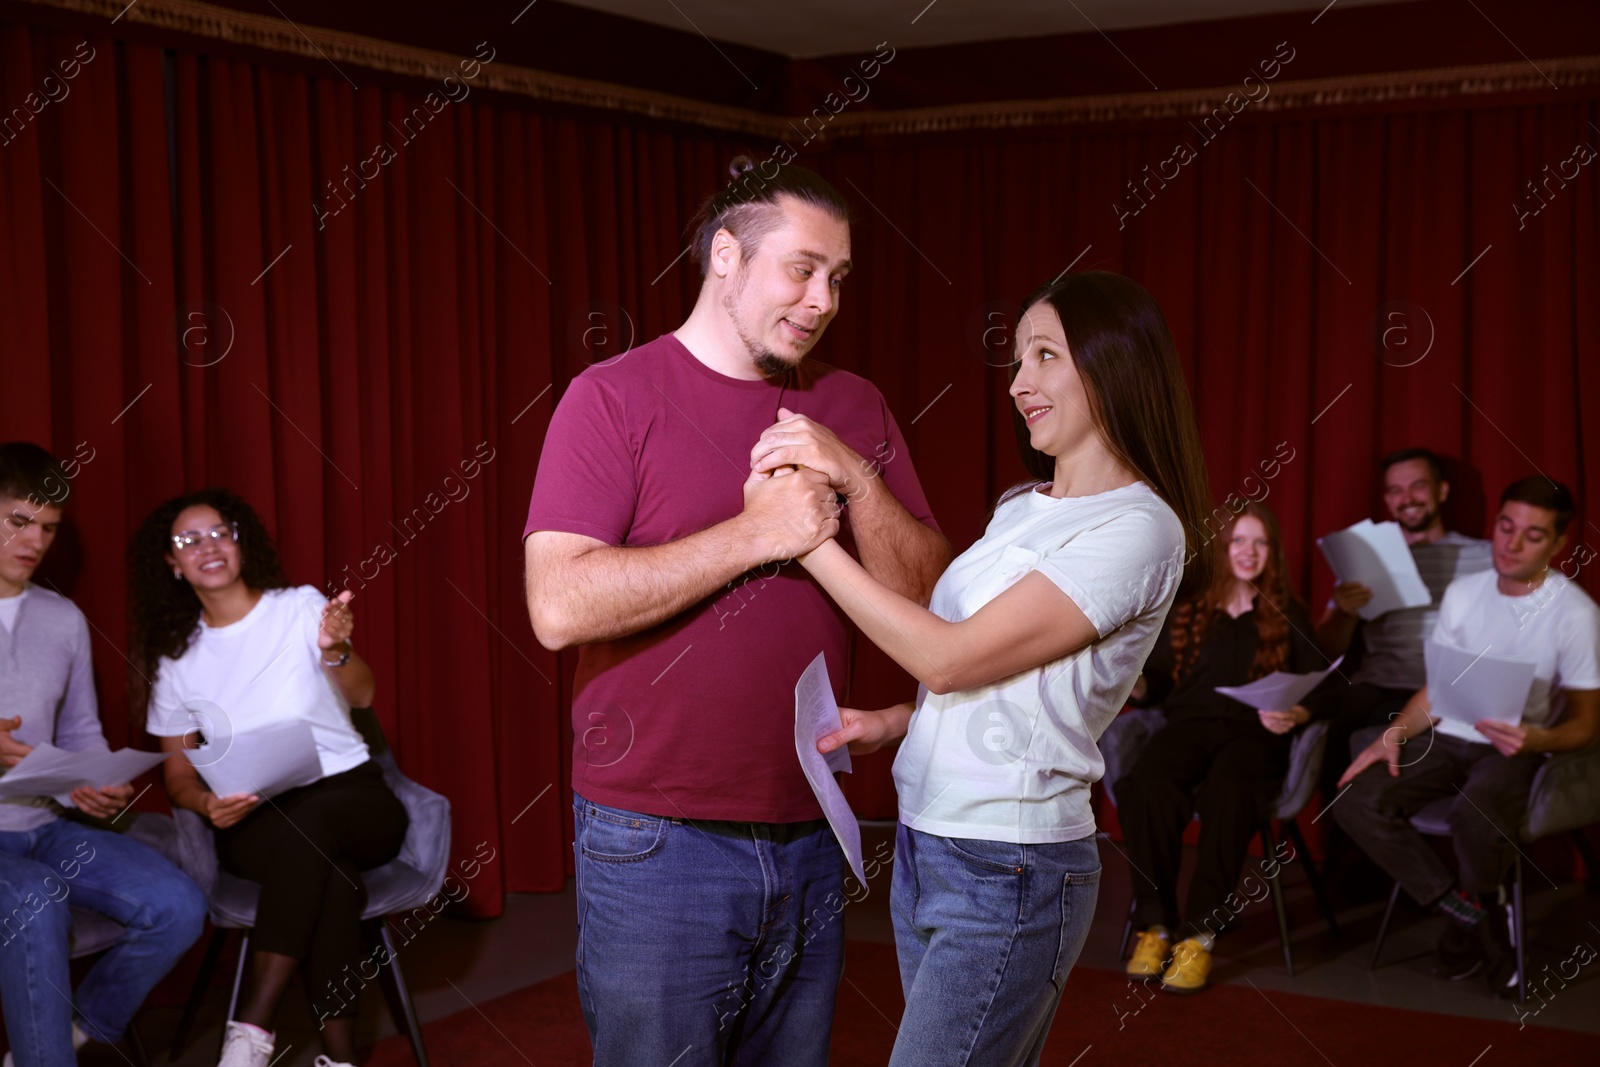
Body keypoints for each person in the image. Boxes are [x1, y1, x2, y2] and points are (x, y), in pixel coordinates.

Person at [522, 164, 949, 1065]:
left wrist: (854, 473)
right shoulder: (612, 397)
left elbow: (925, 598)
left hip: (812, 826)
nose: (823, 298)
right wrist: (755, 534)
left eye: (838, 277)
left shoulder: (852, 404)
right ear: (726, 255)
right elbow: (558, 606)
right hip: (658, 842)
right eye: (801, 268)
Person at [800, 271, 1212, 1065]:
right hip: (930, 839)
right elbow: (994, 670)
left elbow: (948, 660)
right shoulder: (1021, 506)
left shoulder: (1141, 527)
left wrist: (810, 541)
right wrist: (893, 722)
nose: (1020, 383)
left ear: (1112, 365)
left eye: (1045, 355)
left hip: (1011, 862)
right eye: (1018, 359)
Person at [128, 489, 409, 1067]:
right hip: (253, 818)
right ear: (172, 564)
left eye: (219, 532)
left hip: (352, 795)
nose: (207, 547)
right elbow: (178, 776)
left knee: (315, 828)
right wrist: (207, 809)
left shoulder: (300, 607)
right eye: (189, 541)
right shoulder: (175, 661)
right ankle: (339, 1059)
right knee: (331, 879)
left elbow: (364, 694)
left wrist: (335, 650)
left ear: (239, 542)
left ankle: (252, 1026)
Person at [1334, 477, 1600, 994]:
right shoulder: (1464, 592)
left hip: (1513, 748)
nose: (1512, 543)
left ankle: (1471, 930)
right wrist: (1393, 734)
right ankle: (1468, 915)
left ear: (1558, 544)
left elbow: (1590, 724)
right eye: (1505, 526)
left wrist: (1536, 739)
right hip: (1447, 735)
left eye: (1532, 535)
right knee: (1354, 799)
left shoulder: (1577, 614)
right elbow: (1436, 691)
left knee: (1472, 815)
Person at [0, 442, 206, 1067]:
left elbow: (84, 730)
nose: (35, 541)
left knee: (179, 906)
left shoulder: (62, 618)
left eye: (49, 529)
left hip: (47, 824)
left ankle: (65, 1039)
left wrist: (94, 781)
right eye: (19, 522)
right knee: (35, 897)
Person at [1114, 501, 1334, 995]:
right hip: (1189, 726)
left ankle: (1200, 934)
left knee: (1229, 792)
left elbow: (1330, 685)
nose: (1249, 551)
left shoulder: (1285, 612)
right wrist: (1136, 686)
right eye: (1239, 540)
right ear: (1223, 548)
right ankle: (1156, 926)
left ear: (1271, 552)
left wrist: (1296, 713)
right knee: (1147, 785)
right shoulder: (1189, 606)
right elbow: (1159, 682)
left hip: (1254, 735)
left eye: (1260, 542)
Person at [1310, 448, 1491, 796]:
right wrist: (1343, 612)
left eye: (1418, 486)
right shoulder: (1367, 559)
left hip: (1452, 690)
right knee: (1340, 725)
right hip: (1382, 688)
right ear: (1387, 499)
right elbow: (1326, 651)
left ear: (1442, 491)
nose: (1407, 499)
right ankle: (1345, 843)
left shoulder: (1483, 556)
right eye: (1395, 490)